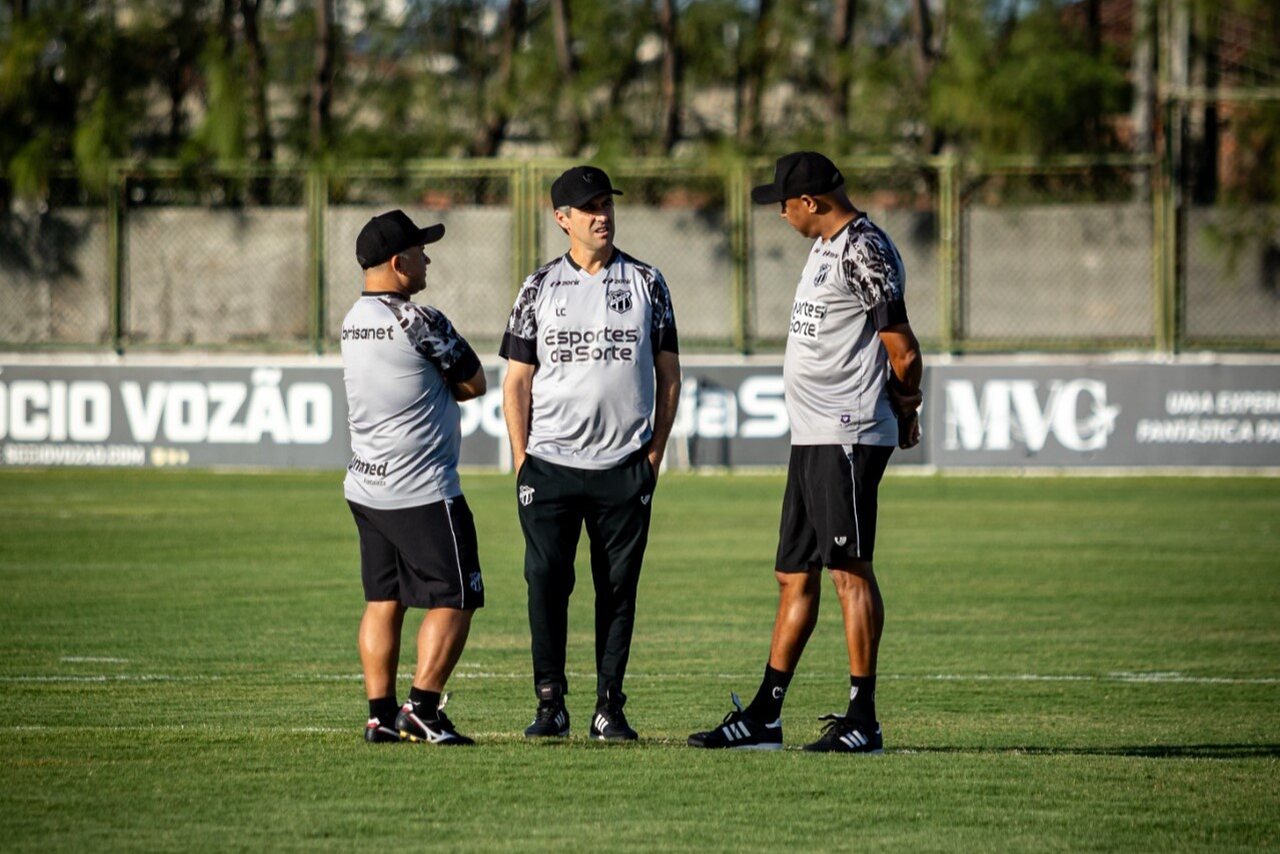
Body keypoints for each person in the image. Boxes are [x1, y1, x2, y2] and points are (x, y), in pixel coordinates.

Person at [688, 151, 923, 753]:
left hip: (846, 433)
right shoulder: (825, 247)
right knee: (793, 575)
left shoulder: (864, 249)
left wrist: (905, 407)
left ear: (811, 203)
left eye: (784, 203)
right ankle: (766, 716)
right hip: (812, 435)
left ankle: (863, 719)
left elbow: (904, 352)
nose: (781, 212)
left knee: (849, 571)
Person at [501, 165, 681, 741]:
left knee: (618, 589)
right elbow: (516, 383)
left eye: (607, 203)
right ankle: (550, 703)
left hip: (624, 469)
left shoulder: (649, 283)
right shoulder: (537, 288)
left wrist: (652, 457)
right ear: (563, 220)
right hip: (550, 466)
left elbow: (670, 377)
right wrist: (521, 458)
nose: (602, 215)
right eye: (589, 207)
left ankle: (610, 705)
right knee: (546, 581)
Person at [341, 209, 488, 746]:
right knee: (457, 597)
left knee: (384, 599)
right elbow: (475, 383)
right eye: (421, 251)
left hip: (366, 484)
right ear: (400, 263)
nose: (427, 258)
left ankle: (379, 715)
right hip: (421, 488)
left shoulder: (352, 319)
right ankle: (422, 709)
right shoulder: (419, 319)